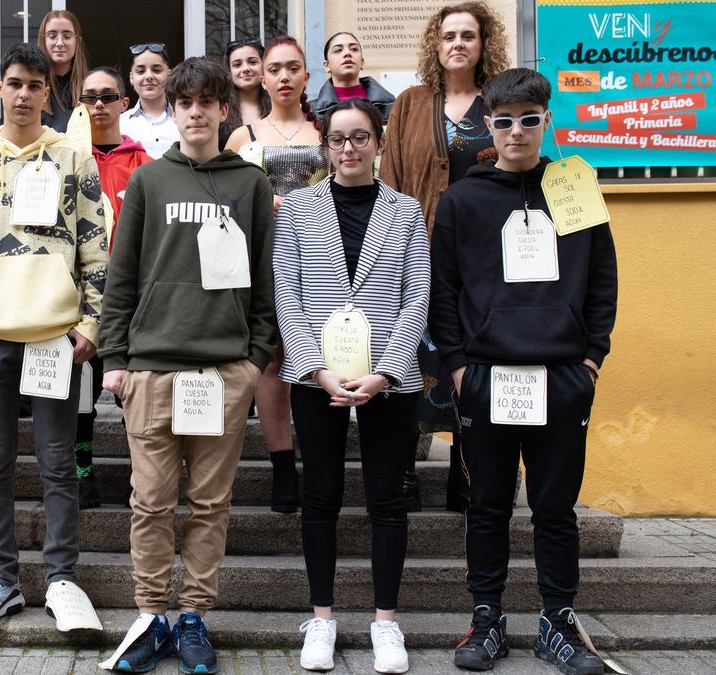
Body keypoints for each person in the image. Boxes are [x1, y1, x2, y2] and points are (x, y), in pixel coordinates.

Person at [434, 68, 617, 675]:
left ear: (547, 121)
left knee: (555, 507)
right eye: (504, 120)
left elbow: (601, 281)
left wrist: (591, 358)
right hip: (487, 376)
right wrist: (458, 366)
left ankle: (556, 623)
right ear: (489, 124)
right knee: (487, 504)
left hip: (563, 373)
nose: (517, 131)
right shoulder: (462, 200)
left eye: (529, 119)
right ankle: (486, 619)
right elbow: (444, 289)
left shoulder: (576, 188)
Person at [98, 57, 275, 675]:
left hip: (223, 371)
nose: (195, 112)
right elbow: (121, 277)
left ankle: (194, 614)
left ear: (224, 109)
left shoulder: (252, 185)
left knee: (209, 503)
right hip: (151, 370)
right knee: (149, 502)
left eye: (207, 102)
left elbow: (266, 282)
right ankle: (151, 616)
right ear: (170, 111)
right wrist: (116, 359)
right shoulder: (149, 181)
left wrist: (253, 360)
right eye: (184, 103)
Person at [0, 42, 107, 630]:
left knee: (60, 464)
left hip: (57, 336)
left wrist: (91, 321)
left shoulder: (74, 159)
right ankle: (2, 581)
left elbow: (95, 247)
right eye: (15, 83)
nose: (25, 94)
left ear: (46, 92)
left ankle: (62, 579)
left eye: (36, 84)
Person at [274, 99, 430, 674]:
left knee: (387, 500)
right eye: (338, 139)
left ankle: (386, 623)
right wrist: (315, 368)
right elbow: (286, 296)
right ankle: (322, 617)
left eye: (359, 137)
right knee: (320, 497)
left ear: (377, 142)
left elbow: (418, 296)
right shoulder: (296, 211)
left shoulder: (406, 211)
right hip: (317, 378)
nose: (348, 149)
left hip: (389, 378)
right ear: (324, 146)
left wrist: (385, 371)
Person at [379, 1, 511, 513]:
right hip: (419, 249)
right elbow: (389, 176)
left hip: (484, 259)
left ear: (483, 45)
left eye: (468, 36)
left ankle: (467, 472)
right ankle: (404, 471)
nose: (458, 43)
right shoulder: (410, 103)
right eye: (449, 35)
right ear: (436, 45)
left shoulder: (499, 102)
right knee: (413, 355)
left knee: (472, 357)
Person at [225, 34, 330, 515]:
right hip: (261, 259)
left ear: (308, 76)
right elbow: (223, 203)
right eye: (275, 69)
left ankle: (321, 464)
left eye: (294, 68)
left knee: (316, 358)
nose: (284, 76)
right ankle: (282, 469)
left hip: (321, 259)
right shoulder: (242, 138)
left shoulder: (327, 134)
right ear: (262, 78)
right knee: (271, 363)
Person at [74, 66, 153, 509]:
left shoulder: (144, 164)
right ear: (79, 105)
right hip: (76, 297)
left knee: (131, 389)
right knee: (81, 386)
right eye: (90, 97)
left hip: (130, 298)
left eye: (108, 96)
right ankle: (82, 471)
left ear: (125, 103)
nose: (99, 105)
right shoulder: (67, 158)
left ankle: (141, 475)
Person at [311, 32, 396, 124]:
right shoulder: (310, 111)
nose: (347, 53)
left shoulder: (391, 106)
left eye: (354, 49)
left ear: (362, 62)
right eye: (338, 50)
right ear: (327, 66)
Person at [119, 43, 178, 159]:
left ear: (169, 74)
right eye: (141, 71)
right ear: (131, 77)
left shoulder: (185, 120)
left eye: (156, 70)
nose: (149, 76)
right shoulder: (119, 124)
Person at [37, 10, 89, 132]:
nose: (59, 43)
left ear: (77, 41)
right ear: (43, 40)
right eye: (52, 36)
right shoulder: (31, 88)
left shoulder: (90, 89)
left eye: (67, 36)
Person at [219, 38, 271, 149]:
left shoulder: (278, 106)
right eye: (237, 64)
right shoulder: (220, 111)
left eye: (252, 62)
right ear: (229, 71)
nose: (245, 69)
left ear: (264, 66)